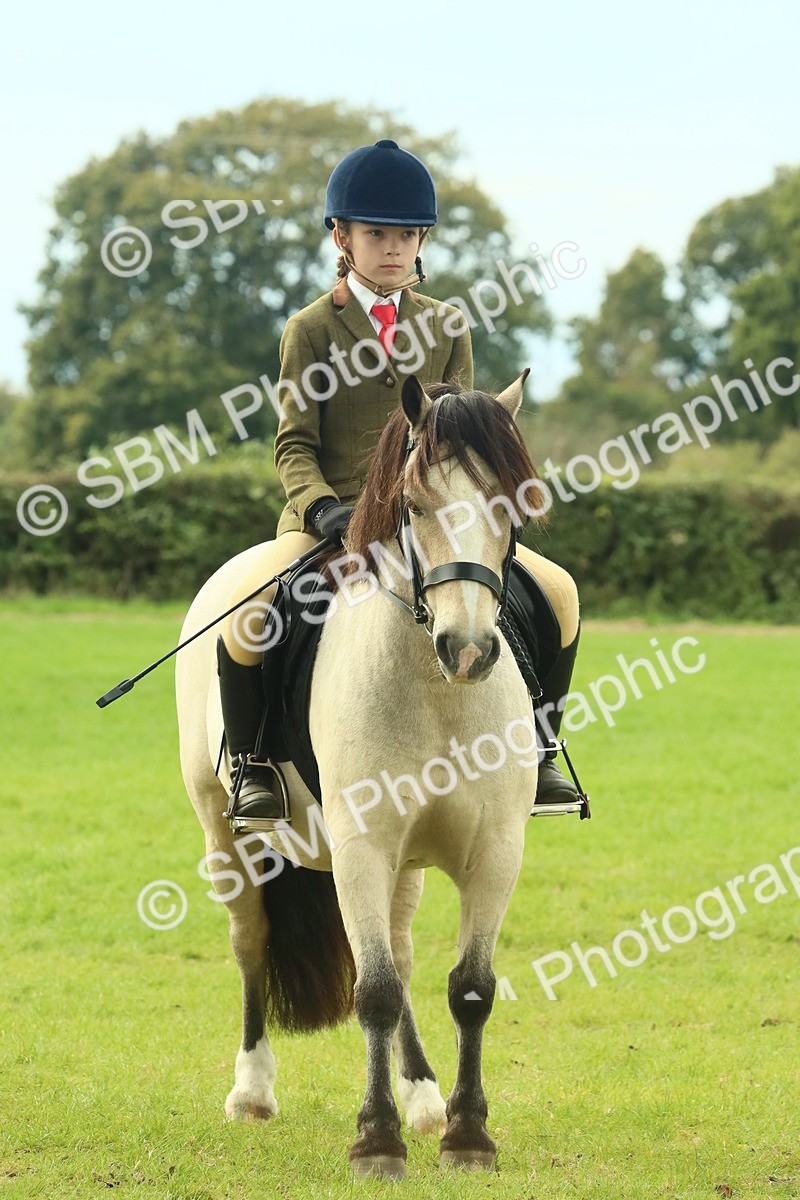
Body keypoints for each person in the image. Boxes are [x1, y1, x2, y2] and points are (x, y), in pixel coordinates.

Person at [217, 139, 583, 833]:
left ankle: (540, 749)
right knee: (249, 611)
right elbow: (292, 442)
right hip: (326, 518)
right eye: (377, 233)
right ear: (342, 237)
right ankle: (254, 763)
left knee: (558, 593)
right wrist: (324, 507)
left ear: (422, 242)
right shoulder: (311, 328)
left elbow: (465, 435)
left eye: (406, 235)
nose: (393, 248)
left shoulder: (446, 324)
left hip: (432, 521)